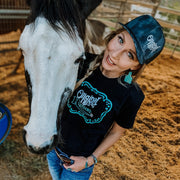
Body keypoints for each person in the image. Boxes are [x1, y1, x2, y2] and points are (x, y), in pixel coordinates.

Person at [47, 15, 165, 180]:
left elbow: (117, 132)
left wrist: (90, 160)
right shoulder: (83, 63)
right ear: (114, 34)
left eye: (130, 55)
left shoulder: (132, 95)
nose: (116, 54)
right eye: (120, 40)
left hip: (80, 165)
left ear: (136, 66)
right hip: (53, 151)